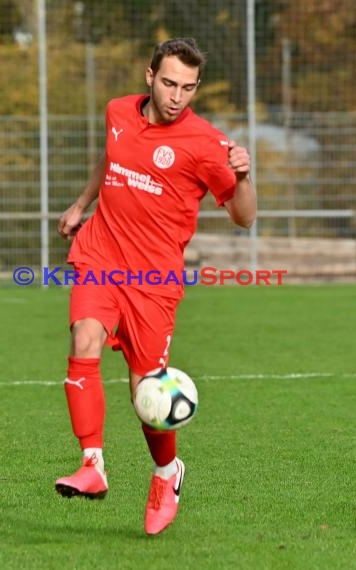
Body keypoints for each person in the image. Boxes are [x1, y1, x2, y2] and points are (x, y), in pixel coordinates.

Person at [55, 37, 256, 535]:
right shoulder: (118, 111)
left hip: (153, 281)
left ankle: (167, 474)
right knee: (84, 338)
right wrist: (82, 206)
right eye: (169, 83)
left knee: (147, 394)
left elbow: (244, 218)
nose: (177, 96)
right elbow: (111, 158)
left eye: (188, 87)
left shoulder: (209, 145)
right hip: (101, 255)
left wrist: (245, 176)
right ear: (149, 76)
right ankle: (92, 465)